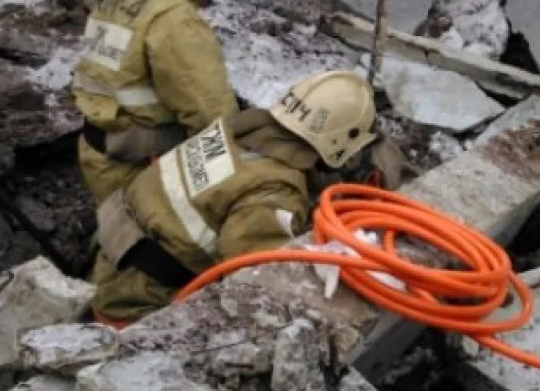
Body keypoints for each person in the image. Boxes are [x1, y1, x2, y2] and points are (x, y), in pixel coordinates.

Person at [89, 70, 379, 326]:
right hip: (136, 306)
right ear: (340, 143)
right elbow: (256, 280)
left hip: (108, 264)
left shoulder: (232, 132)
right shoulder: (275, 192)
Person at [73, 0, 241, 205]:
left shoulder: (119, 1)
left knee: (118, 239)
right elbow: (210, 114)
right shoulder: (172, 16)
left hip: (101, 157)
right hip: (143, 168)